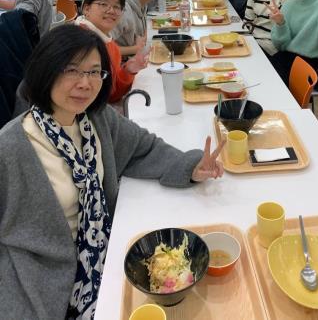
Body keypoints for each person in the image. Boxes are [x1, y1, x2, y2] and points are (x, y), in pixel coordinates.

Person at [0, 24, 224, 320]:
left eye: (94, 72)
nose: (85, 83)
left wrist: (191, 166)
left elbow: (143, 148)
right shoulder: (10, 147)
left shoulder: (96, 119)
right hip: (43, 280)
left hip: (112, 249)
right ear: (45, 70)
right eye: (71, 70)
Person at [76, 0, 149, 103]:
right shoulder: (79, 42)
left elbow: (112, 93)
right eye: (103, 4)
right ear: (86, 9)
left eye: (117, 7)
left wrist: (129, 70)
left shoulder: (107, 42)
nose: (111, 11)